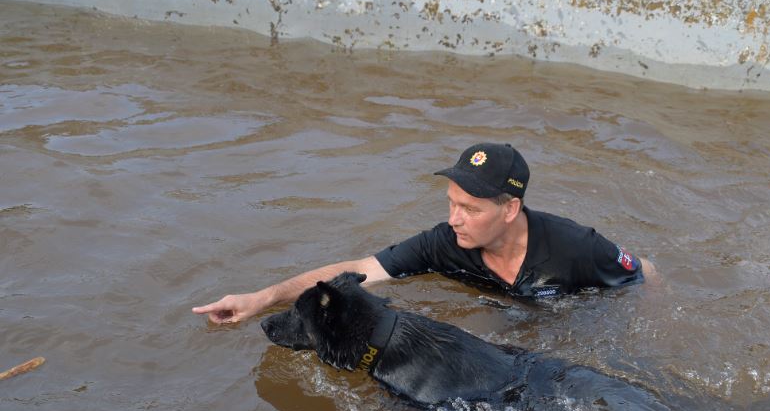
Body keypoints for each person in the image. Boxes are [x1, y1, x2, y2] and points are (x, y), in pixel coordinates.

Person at [193, 142, 655, 324]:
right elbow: (358, 270)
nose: (454, 218)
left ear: (511, 208)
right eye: (451, 202)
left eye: (470, 208)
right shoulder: (445, 243)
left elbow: (644, 274)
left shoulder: (575, 246)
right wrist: (262, 297)